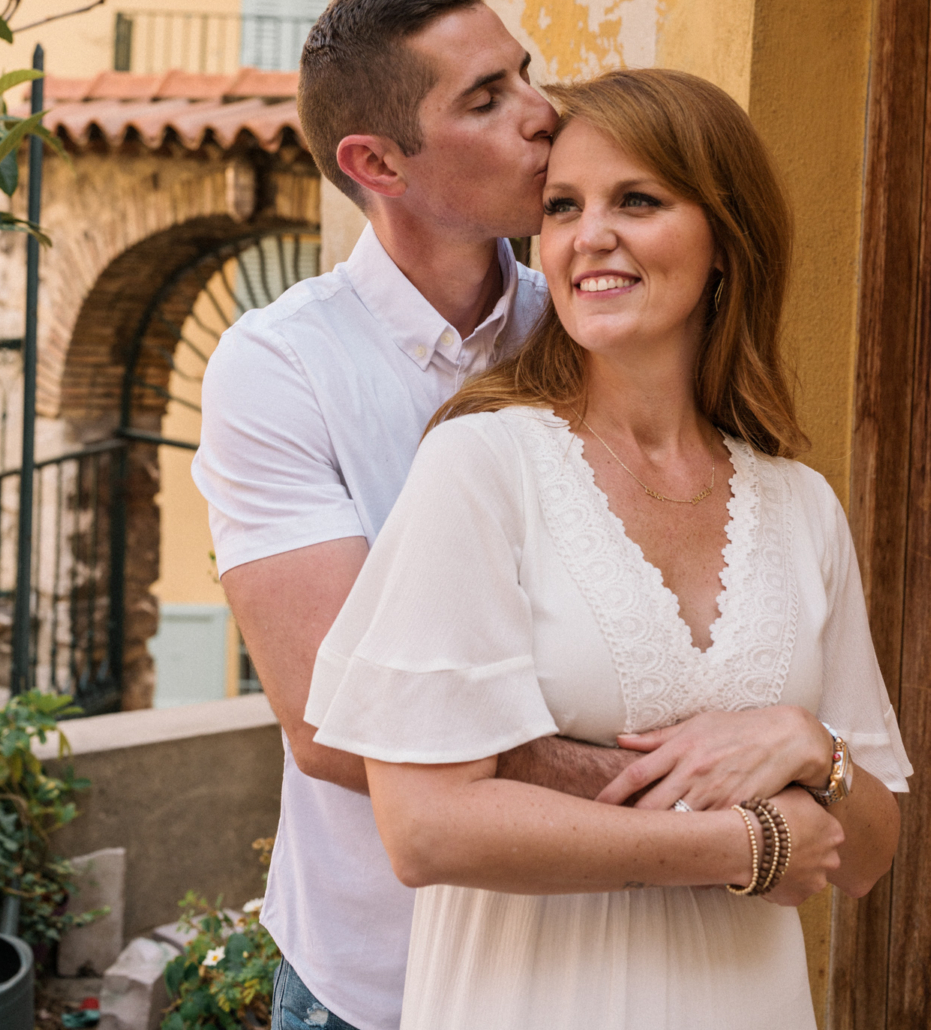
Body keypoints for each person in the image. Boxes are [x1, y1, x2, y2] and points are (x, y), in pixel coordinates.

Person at [305, 68, 911, 1030]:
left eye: (638, 200)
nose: (590, 236)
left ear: (726, 240)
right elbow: (424, 828)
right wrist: (742, 845)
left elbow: (871, 853)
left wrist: (812, 746)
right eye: (561, 207)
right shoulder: (484, 464)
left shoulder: (802, 506)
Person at [192, 0, 642, 1030]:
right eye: (485, 99)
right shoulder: (280, 367)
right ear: (375, 163)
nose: (544, 115)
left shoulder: (591, 327)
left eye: (524, 74)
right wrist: (663, 793)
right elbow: (331, 720)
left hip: (597, 959)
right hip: (382, 980)